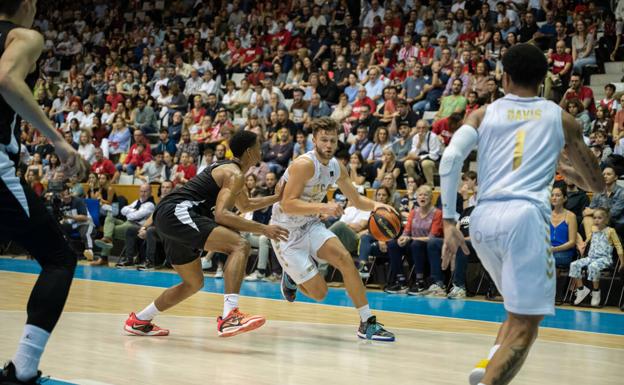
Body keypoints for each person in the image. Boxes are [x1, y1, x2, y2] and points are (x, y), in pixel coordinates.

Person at [439, 44, 604, 385]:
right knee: (528, 324)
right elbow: (597, 184)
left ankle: (488, 364)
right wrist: (568, 171)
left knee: (516, 309)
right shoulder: (562, 119)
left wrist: (450, 220)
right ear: (544, 79)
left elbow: (451, 159)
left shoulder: (483, 114)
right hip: (524, 219)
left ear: (505, 77)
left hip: (483, 220)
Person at [124, 130, 289, 338]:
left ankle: (140, 320)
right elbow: (222, 215)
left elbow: (245, 204)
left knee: (193, 283)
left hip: (168, 215)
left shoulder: (232, 171)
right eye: (258, 145)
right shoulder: (234, 174)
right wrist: (264, 229)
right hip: (177, 212)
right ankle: (230, 316)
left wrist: (276, 197)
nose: (261, 148)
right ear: (249, 151)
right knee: (240, 245)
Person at [0, 1, 88, 382]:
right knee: (58, 258)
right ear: (26, 5)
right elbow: (6, 79)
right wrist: (58, 141)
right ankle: (24, 368)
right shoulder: (25, 35)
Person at [270, 117, 395, 341]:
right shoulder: (304, 164)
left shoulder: (337, 166)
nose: (328, 145)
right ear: (314, 141)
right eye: (324, 140)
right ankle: (291, 275)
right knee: (320, 293)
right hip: (285, 231)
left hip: (309, 224)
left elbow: (357, 201)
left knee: (345, 259)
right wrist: (324, 206)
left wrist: (379, 205)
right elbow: (287, 204)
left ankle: (366, 322)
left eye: (333, 140)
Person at [570, 207, 624, 307]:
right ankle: (581, 289)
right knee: (574, 264)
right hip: (591, 257)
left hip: (604, 259)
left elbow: (618, 246)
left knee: (593, 266)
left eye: (599, 218)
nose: (596, 220)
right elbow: (588, 239)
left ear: (606, 219)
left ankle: (596, 292)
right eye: (594, 218)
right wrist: (584, 244)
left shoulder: (610, 231)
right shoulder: (593, 229)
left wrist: (622, 262)